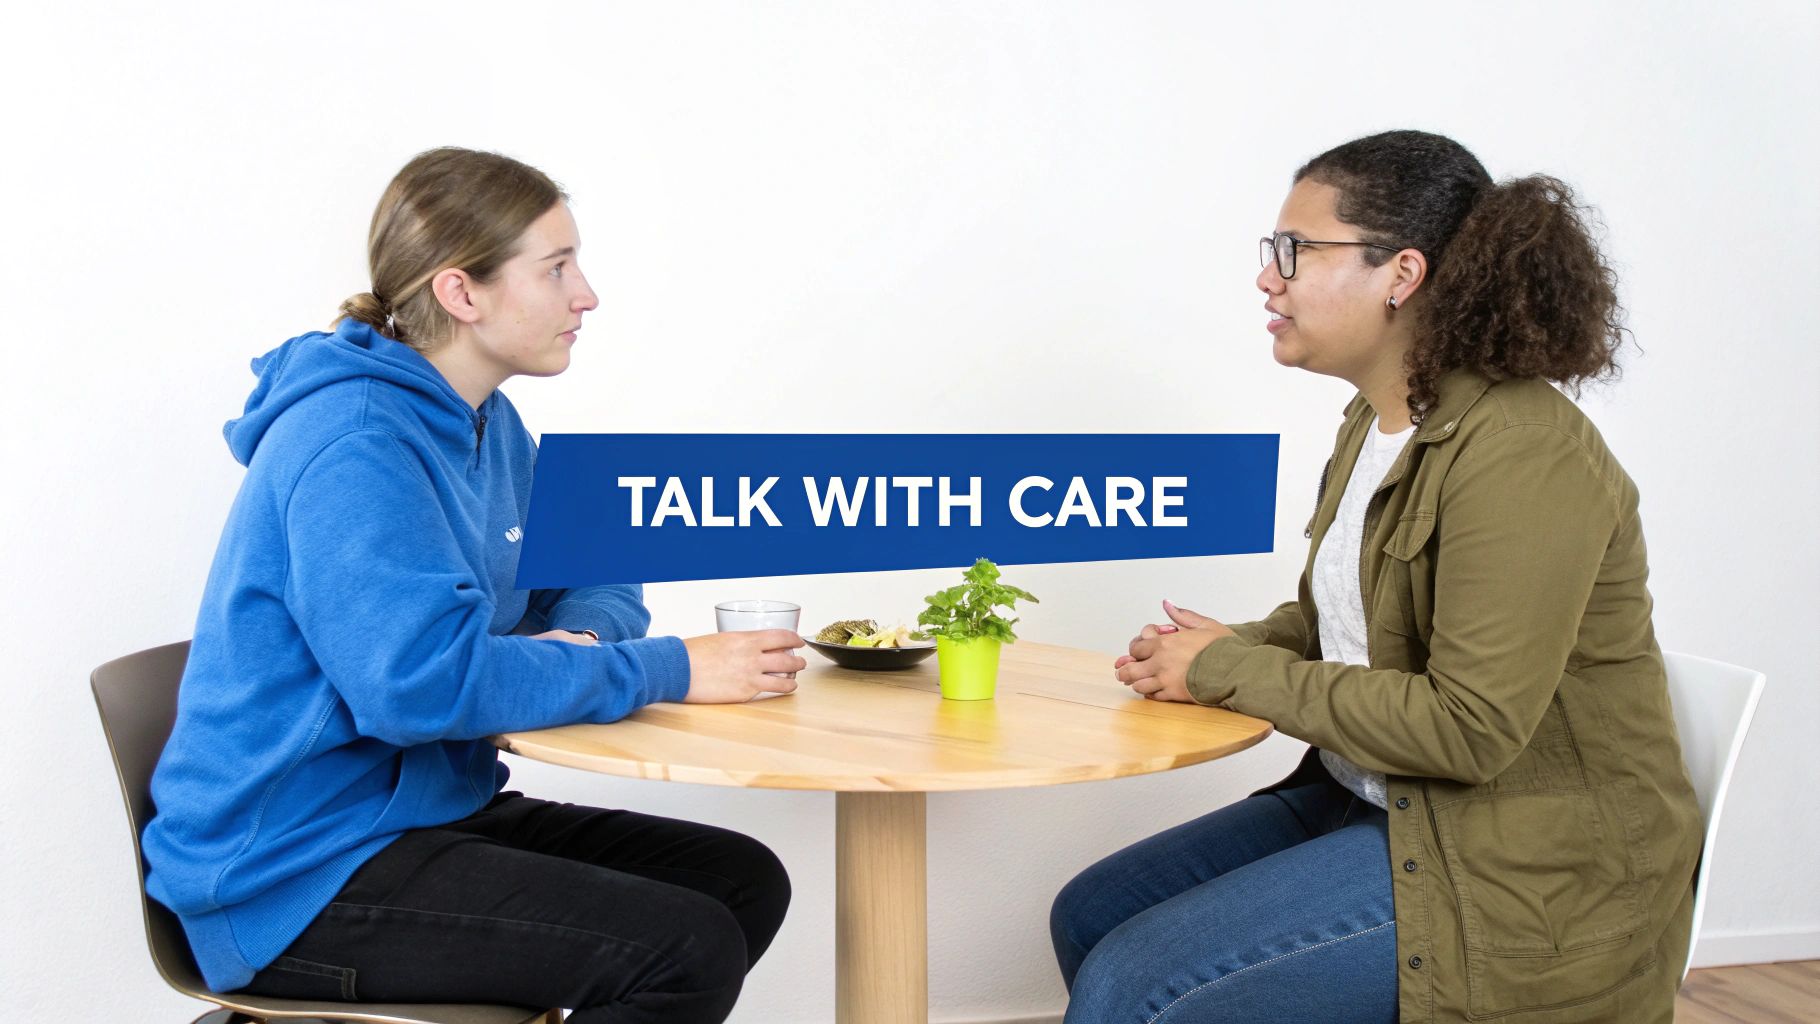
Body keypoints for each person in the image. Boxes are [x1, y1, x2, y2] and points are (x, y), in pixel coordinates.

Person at [1050, 130, 1702, 1023]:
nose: (1267, 278)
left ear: (1401, 273)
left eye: (1295, 250)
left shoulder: (1523, 453)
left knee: (1137, 985)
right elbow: (1350, 621)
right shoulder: (1377, 421)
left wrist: (1227, 670)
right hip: (1373, 798)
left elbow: (1469, 728)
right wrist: (1227, 644)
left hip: (1519, 867)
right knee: (1091, 913)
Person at [142, 147, 805, 1024]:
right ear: (462, 292)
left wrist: (582, 643)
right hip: (295, 868)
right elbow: (424, 687)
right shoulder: (355, 445)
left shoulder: (482, 416)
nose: (586, 295)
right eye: (556, 267)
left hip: (422, 810)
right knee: (686, 948)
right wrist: (672, 667)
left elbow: (594, 565)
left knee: (740, 881)